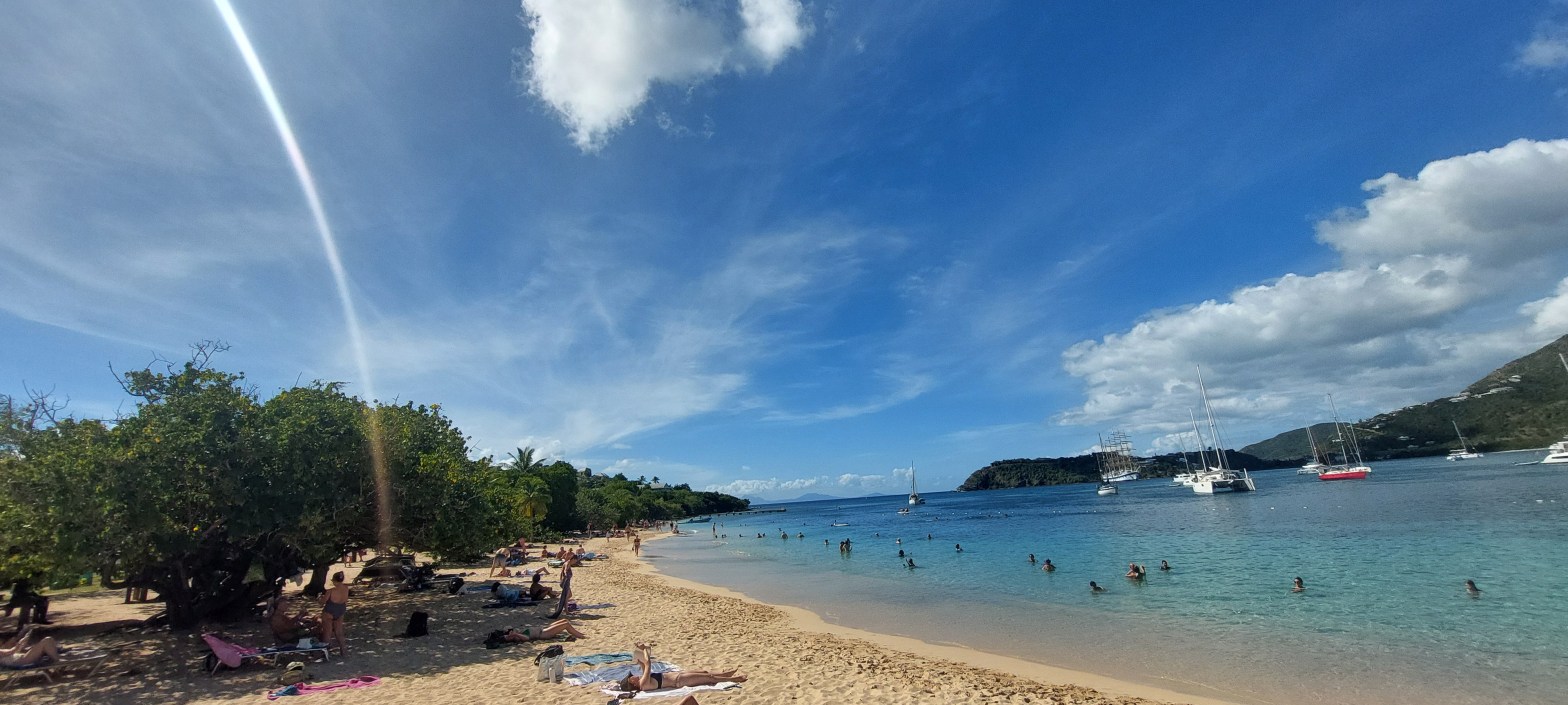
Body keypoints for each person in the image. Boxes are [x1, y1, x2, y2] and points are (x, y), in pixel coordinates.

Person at [616, 642, 745, 694]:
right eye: (631, 677)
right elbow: (648, 664)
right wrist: (644, 650)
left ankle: (726, 674)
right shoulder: (643, 684)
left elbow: (645, 666)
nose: (633, 676)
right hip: (679, 680)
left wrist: (639, 659)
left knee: (704, 672)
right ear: (632, 683)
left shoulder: (643, 680)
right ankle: (734, 679)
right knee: (709, 678)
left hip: (679, 674)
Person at [319, 571, 350, 656]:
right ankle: (343, 651)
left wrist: (320, 599)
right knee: (339, 631)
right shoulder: (346, 588)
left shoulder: (331, 591)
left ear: (335, 581)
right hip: (341, 609)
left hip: (330, 610)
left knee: (327, 632)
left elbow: (322, 602)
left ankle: (325, 652)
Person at [501, 619, 586, 642]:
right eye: (512, 630)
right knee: (566, 624)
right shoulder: (518, 636)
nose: (515, 630)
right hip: (543, 633)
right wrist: (515, 634)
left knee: (564, 620)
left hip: (543, 628)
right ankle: (582, 636)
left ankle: (580, 633)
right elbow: (527, 638)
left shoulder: (518, 632)